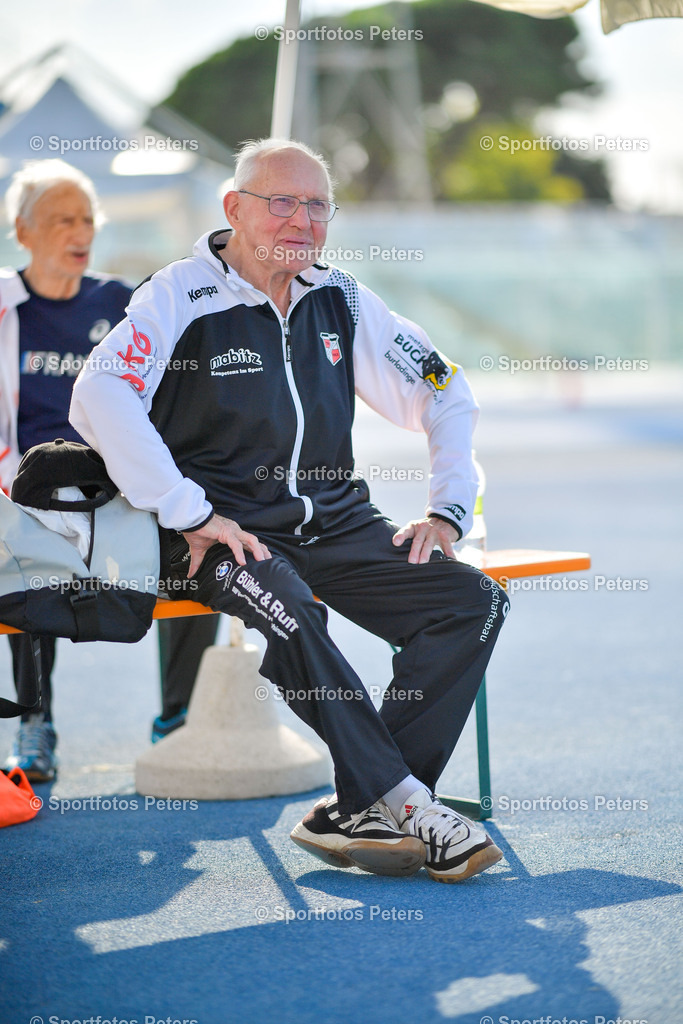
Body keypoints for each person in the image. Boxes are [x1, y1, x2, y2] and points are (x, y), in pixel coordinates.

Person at [70, 138, 510, 883]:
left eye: (316, 205)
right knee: (293, 609)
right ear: (234, 208)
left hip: (337, 522)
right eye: (282, 202)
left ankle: (355, 808)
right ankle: (407, 802)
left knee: (473, 602)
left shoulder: (341, 298)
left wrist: (446, 510)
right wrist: (187, 510)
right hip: (222, 537)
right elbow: (98, 396)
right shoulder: (179, 294)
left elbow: (444, 387)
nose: (301, 221)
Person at [0, 159, 217, 782]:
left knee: (201, 550)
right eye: (62, 219)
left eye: (88, 219)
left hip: (116, 489)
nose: (80, 231)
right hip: (27, 490)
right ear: (24, 230)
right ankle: (35, 724)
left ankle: (179, 720)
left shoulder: (120, 304)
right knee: (27, 557)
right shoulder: (4, 306)